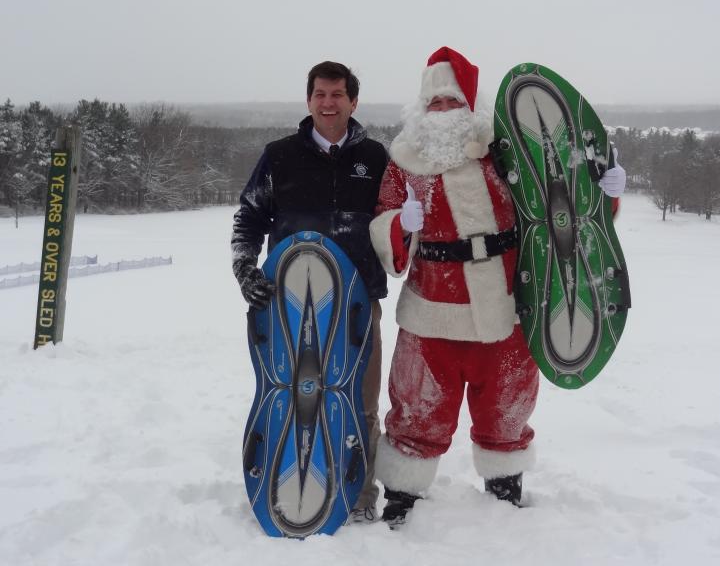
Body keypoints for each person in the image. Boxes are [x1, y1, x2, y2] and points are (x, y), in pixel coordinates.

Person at [369, 47, 626, 527]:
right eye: (434, 104)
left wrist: (602, 194)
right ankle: (402, 496)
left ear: (470, 106)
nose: (442, 113)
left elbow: (558, 206)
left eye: (451, 103)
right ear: (421, 111)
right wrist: (398, 225)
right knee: (417, 407)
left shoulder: (504, 152)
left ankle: (504, 489)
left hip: (505, 309)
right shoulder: (403, 162)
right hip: (431, 316)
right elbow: (383, 222)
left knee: (507, 406)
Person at [231, 61, 389, 523]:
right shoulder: (279, 155)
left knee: (357, 399)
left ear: (353, 101)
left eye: (337, 94)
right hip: (289, 304)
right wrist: (245, 268)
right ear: (308, 99)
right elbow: (249, 217)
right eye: (320, 94)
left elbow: (397, 222)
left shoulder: (376, 158)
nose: (328, 102)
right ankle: (286, 482)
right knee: (291, 393)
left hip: (358, 306)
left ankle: (356, 495)